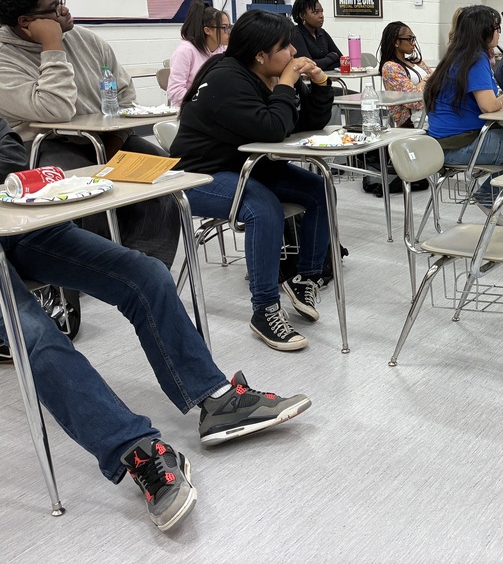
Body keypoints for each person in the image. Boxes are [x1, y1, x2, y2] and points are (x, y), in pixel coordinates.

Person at [0, 115, 311, 532]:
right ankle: (135, 449)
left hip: (24, 228)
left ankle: (216, 398)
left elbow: (11, 161)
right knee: (33, 333)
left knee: (143, 274)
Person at [170, 10, 335, 351]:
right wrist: (287, 84)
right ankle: (264, 309)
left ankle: (305, 277)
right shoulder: (226, 78)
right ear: (261, 55)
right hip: (199, 175)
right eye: (284, 46)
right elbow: (273, 129)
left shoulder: (265, 76)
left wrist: (320, 84)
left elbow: (304, 124)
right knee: (263, 208)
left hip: (244, 167)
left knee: (319, 190)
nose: (293, 53)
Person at [0, 0, 180, 268]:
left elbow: (124, 95)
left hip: (107, 138)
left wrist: (114, 140)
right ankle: (89, 273)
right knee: (82, 194)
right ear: (26, 22)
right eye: (53, 8)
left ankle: (144, 270)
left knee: (164, 181)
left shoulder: (87, 40)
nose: (64, 9)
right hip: (45, 147)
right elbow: (54, 110)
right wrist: (52, 46)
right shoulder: (5, 59)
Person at [423, 4, 503, 218]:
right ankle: (487, 194)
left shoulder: (455, 55)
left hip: (441, 143)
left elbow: (489, 103)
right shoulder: (476, 59)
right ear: (485, 31)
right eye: (497, 28)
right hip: (461, 145)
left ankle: (487, 194)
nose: (499, 33)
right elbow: (489, 107)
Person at [166, 0, 229, 106]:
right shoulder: (186, 51)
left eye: (229, 27)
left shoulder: (223, 50)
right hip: (190, 110)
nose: (228, 32)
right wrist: (205, 101)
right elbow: (175, 92)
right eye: (224, 28)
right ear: (207, 30)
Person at [378, 20, 432, 128]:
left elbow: (439, 79)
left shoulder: (416, 61)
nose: (413, 43)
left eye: (413, 38)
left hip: (429, 111)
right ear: (396, 42)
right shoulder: (390, 67)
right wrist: (427, 80)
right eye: (409, 39)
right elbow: (413, 99)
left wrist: (424, 84)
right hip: (412, 121)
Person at [291, 0, 343, 70]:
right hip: (306, 81)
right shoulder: (295, 33)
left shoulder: (322, 32)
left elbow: (342, 61)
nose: (321, 16)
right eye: (315, 12)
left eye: (322, 12)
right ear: (302, 15)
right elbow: (308, 66)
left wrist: (320, 64)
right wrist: (331, 57)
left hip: (323, 79)